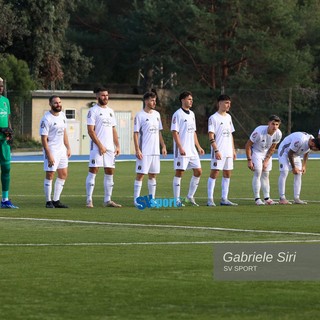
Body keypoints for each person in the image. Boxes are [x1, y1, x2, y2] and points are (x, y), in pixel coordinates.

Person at [85, 87, 122, 208]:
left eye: (106, 95)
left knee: (110, 172)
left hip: (110, 148)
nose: (105, 97)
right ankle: (89, 200)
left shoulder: (111, 111)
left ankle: (108, 200)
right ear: (97, 97)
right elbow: (90, 131)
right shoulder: (93, 111)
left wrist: (117, 145)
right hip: (97, 147)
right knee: (93, 171)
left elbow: (113, 129)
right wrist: (100, 145)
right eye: (102, 95)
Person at [171, 91, 205, 206]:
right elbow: (175, 132)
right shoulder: (177, 114)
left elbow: (193, 132)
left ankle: (190, 196)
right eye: (189, 99)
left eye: (192, 99)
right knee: (180, 172)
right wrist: (180, 147)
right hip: (183, 149)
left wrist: (199, 146)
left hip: (192, 150)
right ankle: (176, 200)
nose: (191, 101)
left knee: (198, 171)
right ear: (183, 100)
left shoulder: (192, 114)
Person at [133, 91, 167, 205]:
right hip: (144, 151)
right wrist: (137, 149)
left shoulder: (157, 115)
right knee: (141, 174)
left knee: (153, 175)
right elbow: (136, 133)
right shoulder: (139, 115)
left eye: (155, 100)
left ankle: (151, 199)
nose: (154, 102)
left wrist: (163, 146)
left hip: (155, 152)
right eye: (152, 100)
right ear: (146, 101)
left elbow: (159, 132)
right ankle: (136, 200)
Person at [40, 95, 71, 208]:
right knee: (50, 174)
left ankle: (56, 200)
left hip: (62, 149)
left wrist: (68, 147)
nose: (58, 104)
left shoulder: (62, 115)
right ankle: (48, 202)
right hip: (51, 149)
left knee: (63, 174)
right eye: (55, 103)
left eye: (59, 102)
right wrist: (49, 155)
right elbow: (43, 138)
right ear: (50, 104)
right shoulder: (46, 118)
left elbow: (64, 132)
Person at [207, 94, 237, 206]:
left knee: (227, 173)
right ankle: (210, 199)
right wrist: (216, 150)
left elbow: (230, 135)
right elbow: (211, 136)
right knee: (215, 173)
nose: (228, 105)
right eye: (226, 103)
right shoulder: (213, 118)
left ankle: (224, 199)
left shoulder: (229, 117)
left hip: (228, 151)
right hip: (218, 151)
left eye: (229, 103)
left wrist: (233, 150)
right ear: (219, 103)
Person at [245, 115, 282, 205]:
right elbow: (248, 145)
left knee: (266, 174)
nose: (275, 127)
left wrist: (266, 160)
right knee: (258, 172)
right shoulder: (259, 131)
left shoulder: (278, 134)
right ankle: (257, 199)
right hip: (256, 151)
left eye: (277, 124)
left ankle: (267, 198)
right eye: (273, 124)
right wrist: (249, 160)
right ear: (268, 123)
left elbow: (273, 148)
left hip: (266, 153)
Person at [277, 132, 320, 204]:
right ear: (312, 143)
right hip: (285, 151)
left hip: (295, 154)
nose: (315, 151)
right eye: (316, 149)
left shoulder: (311, 139)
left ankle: (296, 198)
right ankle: (282, 198)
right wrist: (294, 168)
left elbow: (306, 153)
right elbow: (290, 154)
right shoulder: (300, 140)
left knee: (299, 174)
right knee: (284, 171)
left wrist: (304, 166)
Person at [0, 77, 18, 209]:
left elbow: (8, 119)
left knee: (6, 168)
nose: (0, 88)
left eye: (1, 86)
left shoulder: (5, 101)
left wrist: (10, 132)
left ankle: (5, 200)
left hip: (4, 141)